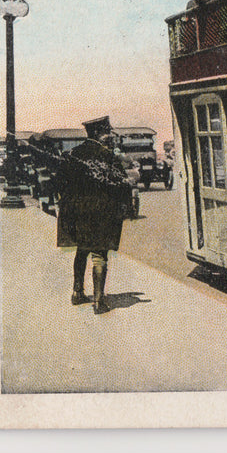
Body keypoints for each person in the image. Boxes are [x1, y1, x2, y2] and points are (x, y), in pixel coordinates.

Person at [53, 116, 133, 315]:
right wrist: (125, 208)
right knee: (99, 253)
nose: (111, 137)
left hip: (76, 213)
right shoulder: (107, 156)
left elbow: (58, 184)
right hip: (100, 213)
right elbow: (122, 185)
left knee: (82, 251)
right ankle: (99, 301)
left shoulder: (72, 153)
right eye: (108, 133)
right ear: (99, 134)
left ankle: (77, 292)